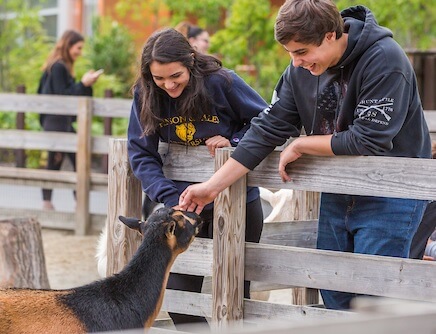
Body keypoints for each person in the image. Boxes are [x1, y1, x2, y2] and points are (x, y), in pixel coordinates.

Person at [179, 0, 431, 310]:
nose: (296, 62)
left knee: (373, 296)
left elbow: (369, 138)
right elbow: (266, 129)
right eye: (290, 53)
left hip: (390, 192)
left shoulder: (384, 59)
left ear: (330, 35)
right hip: (338, 188)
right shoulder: (301, 71)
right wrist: (211, 187)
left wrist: (302, 145)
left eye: (301, 52)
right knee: (333, 289)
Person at [127, 28, 267, 327]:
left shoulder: (222, 82)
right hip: (181, 206)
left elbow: (265, 120)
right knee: (177, 294)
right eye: (159, 78)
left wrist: (235, 142)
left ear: (190, 60)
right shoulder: (145, 93)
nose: (168, 85)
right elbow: (140, 151)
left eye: (175, 75)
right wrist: (168, 196)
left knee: (234, 290)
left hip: (234, 197)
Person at [37, 30, 102, 211]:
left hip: (58, 122)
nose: (79, 52)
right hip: (56, 122)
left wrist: (85, 85)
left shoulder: (59, 66)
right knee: (69, 160)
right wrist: (83, 84)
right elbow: (63, 97)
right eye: (78, 48)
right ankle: (73, 204)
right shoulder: (58, 67)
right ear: (69, 45)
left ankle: (53, 203)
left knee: (61, 161)